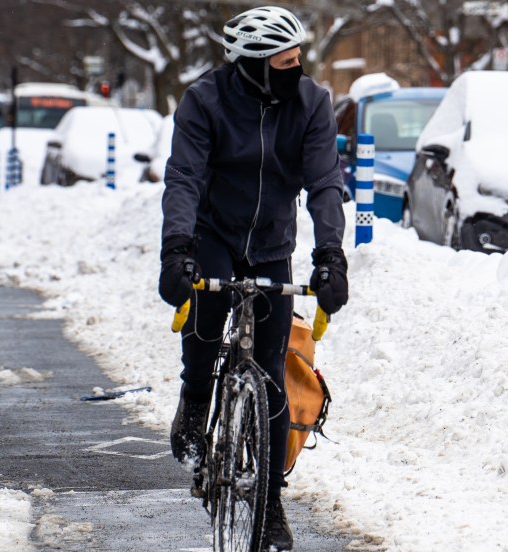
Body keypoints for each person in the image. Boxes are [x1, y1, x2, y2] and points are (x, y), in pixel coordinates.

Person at [157, 6, 349, 551]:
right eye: (284, 61)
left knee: (268, 373)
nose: (296, 68)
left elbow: (324, 183)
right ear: (253, 64)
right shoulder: (205, 101)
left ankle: (270, 505)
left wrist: (331, 255)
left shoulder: (311, 103)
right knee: (208, 312)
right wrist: (178, 250)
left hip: (270, 244)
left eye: (298, 59)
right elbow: (184, 177)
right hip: (213, 234)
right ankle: (195, 402)